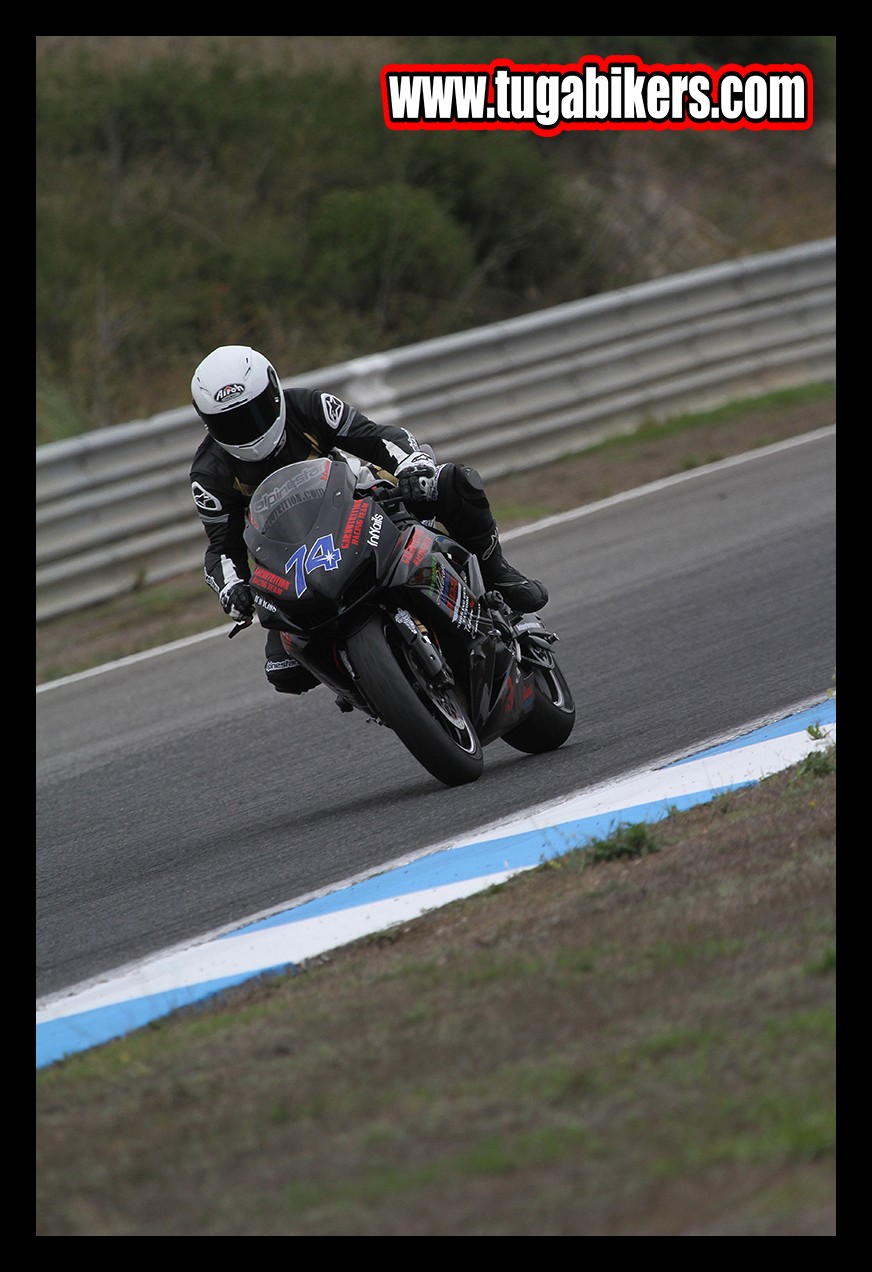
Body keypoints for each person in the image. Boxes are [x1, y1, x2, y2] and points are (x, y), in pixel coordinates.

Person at [189, 345, 549, 695]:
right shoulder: (209, 474)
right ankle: (373, 689)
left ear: (275, 392)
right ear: (208, 423)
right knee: (285, 671)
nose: (247, 429)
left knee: (451, 481)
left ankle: (496, 574)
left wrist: (412, 465)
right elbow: (223, 547)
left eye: (255, 411)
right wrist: (230, 587)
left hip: (358, 505)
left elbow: (375, 437)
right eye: (230, 423)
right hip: (292, 563)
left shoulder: (310, 406)